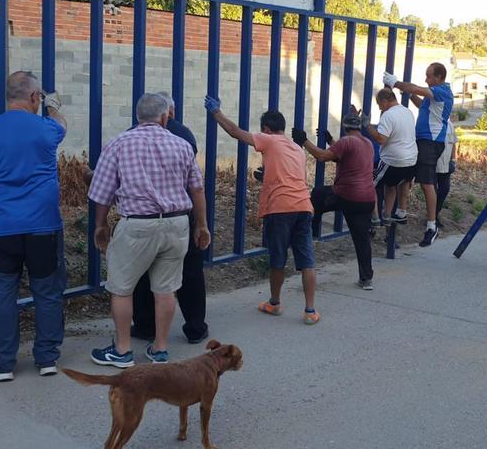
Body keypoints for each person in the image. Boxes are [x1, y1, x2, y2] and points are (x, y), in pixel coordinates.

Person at [89, 93, 211, 367]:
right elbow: (197, 189)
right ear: (165, 116)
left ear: (137, 116)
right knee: (165, 289)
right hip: (177, 223)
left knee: (121, 288)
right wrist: (201, 224)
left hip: (138, 225)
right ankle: (160, 348)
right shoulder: (181, 145)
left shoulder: (119, 144)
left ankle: (121, 351)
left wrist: (101, 225)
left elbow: (101, 191)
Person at [0, 71, 67, 382]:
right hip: (42, 226)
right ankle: (47, 358)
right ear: (34, 98)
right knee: (47, 291)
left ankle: (2, 364)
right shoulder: (45, 127)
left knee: (2, 296)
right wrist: (52, 106)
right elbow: (62, 125)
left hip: (0, 227)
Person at [205, 97, 320, 325]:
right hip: (304, 205)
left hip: (280, 208)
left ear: (266, 129)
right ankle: (310, 311)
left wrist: (216, 112)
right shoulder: (296, 148)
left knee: (278, 259)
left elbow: (236, 132)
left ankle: (274, 304)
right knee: (307, 261)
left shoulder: (268, 139)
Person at [129, 92, 210, 344]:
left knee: (144, 273)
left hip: (142, 216)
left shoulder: (132, 134)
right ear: (169, 112)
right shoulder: (184, 135)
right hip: (180, 216)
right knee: (190, 273)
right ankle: (196, 328)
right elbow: (196, 185)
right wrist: (202, 223)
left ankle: (146, 326)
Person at [293, 111, 376, 290]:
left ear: (345, 127)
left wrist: (304, 141)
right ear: (359, 127)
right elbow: (346, 155)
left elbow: (322, 156)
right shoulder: (367, 143)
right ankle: (366, 279)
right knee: (362, 239)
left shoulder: (346, 141)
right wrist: (331, 142)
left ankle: (313, 231)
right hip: (367, 198)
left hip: (346, 195)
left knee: (317, 195)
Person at [384, 62, 455, 247]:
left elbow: (416, 87)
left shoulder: (442, 92)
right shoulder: (434, 97)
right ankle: (401, 211)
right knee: (406, 174)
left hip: (431, 142)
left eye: (429, 76)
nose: (426, 79)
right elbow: (422, 104)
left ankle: (431, 226)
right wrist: (409, 94)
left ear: (439, 78)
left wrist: (396, 83)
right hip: (421, 141)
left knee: (426, 182)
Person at [366, 88, 417, 226]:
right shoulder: (408, 112)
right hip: (411, 161)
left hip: (393, 160)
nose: (379, 108)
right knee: (391, 184)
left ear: (384, 101)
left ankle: (375, 217)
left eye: (379, 104)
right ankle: (388, 216)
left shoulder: (388, 115)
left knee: (368, 183)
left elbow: (381, 139)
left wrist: (368, 126)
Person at [434, 121, 457, 228]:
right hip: (432, 165)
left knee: (444, 189)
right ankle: (431, 218)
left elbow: (453, 143)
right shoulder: (432, 123)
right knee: (432, 191)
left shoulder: (450, 125)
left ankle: (435, 214)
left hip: (446, 164)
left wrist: (453, 159)